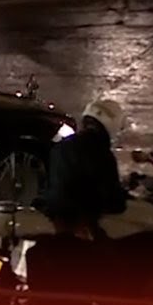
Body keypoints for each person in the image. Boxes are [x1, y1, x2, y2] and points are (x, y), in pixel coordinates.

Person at [43, 99, 128, 233]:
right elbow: (114, 202)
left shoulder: (61, 146)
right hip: (84, 226)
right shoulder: (101, 154)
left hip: (56, 218)